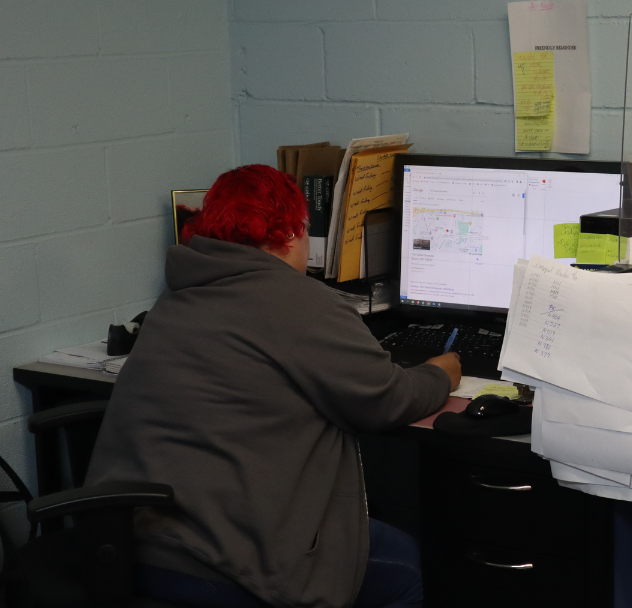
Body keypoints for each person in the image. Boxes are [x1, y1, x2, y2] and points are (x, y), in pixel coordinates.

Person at [86, 164, 462, 608]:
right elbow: (387, 400)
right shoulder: (303, 304)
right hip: (227, 564)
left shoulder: (180, 293)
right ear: (289, 235)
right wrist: (442, 372)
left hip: (127, 548)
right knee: (404, 565)